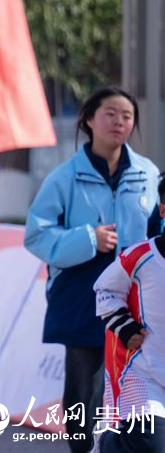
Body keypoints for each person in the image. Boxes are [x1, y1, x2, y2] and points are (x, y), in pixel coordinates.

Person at [25, 86, 160, 453]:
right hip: (80, 291)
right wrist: (89, 239)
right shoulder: (63, 177)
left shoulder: (149, 174)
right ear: (88, 120)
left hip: (140, 295)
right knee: (84, 384)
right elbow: (36, 236)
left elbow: (159, 230)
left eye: (127, 116)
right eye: (110, 113)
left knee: (137, 381)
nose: (119, 122)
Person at [94, 172, 165, 453]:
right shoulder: (141, 256)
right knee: (151, 445)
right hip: (142, 371)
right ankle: (107, 442)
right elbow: (105, 290)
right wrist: (124, 326)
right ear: (163, 210)